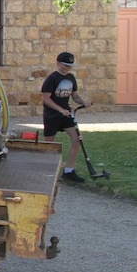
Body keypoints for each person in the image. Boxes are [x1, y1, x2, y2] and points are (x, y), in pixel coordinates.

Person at [41, 51, 91, 182]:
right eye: (65, 65)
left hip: (67, 115)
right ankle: (45, 171)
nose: (67, 68)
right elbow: (45, 98)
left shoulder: (71, 78)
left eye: (70, 66)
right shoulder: (52, 78)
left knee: (77, 140)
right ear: (58, 63)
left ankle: (69, 171)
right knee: (48, 143)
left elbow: (74, 95)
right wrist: (59, 109)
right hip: (52, 115)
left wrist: (83, 102)